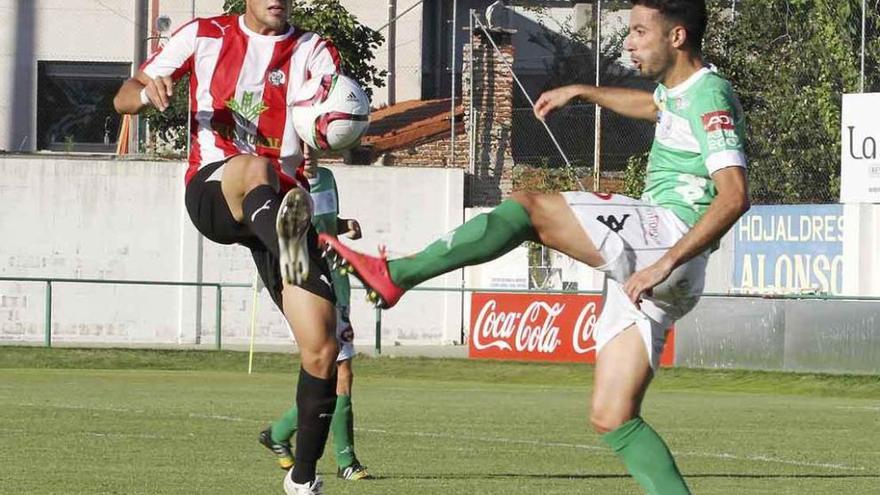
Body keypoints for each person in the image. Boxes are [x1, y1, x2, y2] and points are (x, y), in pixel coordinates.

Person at [319, 1, 748, 493]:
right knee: (612, 416)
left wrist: (663, 262)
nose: (628, 41)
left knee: (525, 209)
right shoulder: (677, 93)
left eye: (638, 31)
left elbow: (735, 195)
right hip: (665, 270)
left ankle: (396, 275)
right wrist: (585, 91)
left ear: (677, 37)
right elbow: (656, 107)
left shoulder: (709, 96)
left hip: (669, 238)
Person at [114, 2, 343, 493]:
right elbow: (123, 98)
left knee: (324, 348)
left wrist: (339, 124)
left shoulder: (316, 51)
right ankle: (289, 250)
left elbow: (330, 117)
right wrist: (145, 92)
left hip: (282, 206)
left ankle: (303, 480)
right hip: (216, 188)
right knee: (255, 166)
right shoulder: (202, 35)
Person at [259, 165, 372, 481]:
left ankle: (279, 433)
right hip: (309, 285)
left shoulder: (327, 178)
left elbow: (322, 225)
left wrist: (343, 224)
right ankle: (346, 459)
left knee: (336, 371)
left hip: (338, 280)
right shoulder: (280, 177)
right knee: (340, 370)